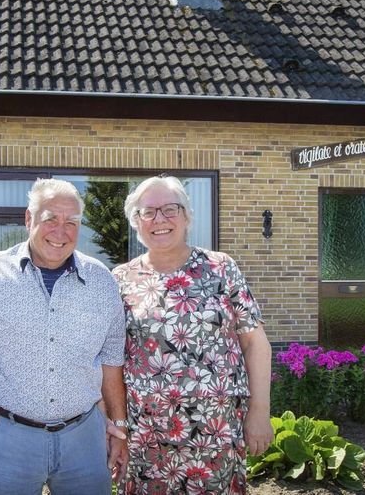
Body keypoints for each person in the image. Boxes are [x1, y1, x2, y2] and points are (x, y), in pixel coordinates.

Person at [0, 178, 128, 495]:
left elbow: (111, 362)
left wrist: (119, 428)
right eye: (50, 219)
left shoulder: (101, 281)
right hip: (7, 438)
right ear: (29, 219)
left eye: (71, 222)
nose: (61, 231)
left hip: (84, 437)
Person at [112, 175, 273, 494]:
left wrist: (260, 411)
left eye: (170, 209)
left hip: (216, 431)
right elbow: (111, 360)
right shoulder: (121, 279)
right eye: (148, 212)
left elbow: (255, 343)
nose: (160, 219)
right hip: (148, 434)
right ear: (136, 222)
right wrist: (115, 426)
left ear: (186, 216)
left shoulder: (221, 268)